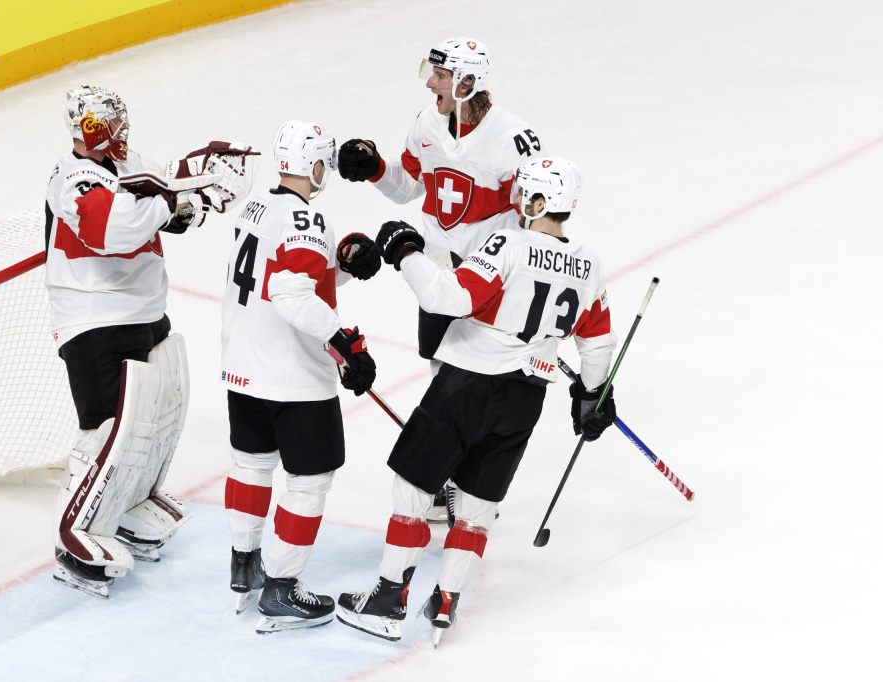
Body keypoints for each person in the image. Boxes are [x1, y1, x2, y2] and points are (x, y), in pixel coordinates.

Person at [336, 157, 618, 646]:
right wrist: (592, 395)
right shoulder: (588, 265)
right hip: (526, 397)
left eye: (523, 196)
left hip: (467, 384)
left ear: (535, 202)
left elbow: (450, 298)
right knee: (478, 502)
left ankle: (386, 599)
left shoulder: (510, 243)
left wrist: (406, 252)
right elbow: (597, 344)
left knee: (414, 486)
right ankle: (446, 600)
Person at [46, 84, 253, 597]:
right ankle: (73, 534)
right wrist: (176, 195)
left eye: (115, 123)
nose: (113, 134)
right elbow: (112, 231)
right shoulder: (72, 178)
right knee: (105, 430)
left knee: (151, 422)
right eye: (101, 126)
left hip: (144, 310)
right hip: (94, 318)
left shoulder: (134, 163)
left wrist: (201, 197)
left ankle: (125, 504)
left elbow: (173, 214)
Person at [337, 36, 547, 521]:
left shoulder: (514, 139)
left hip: (488, 281)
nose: (430, 83)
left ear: (467, 82)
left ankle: (466, 484)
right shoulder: (427, 123)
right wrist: (374, 170)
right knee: (441, 373)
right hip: (433, 271)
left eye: (441, 75)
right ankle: (450, 480)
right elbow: (409, 185)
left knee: (478, 381)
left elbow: (536, 220)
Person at [220, 119, 379, 634]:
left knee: (251, 464)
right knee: (310, 481)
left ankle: (244, 563)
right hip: (293, 378)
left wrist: (346, 266)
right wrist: (344, 344)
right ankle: (283, 588)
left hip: (243, 367)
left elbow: (285, 273)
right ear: (313, 165)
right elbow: (291, 293)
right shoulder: (307, 219)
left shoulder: (255, 208)